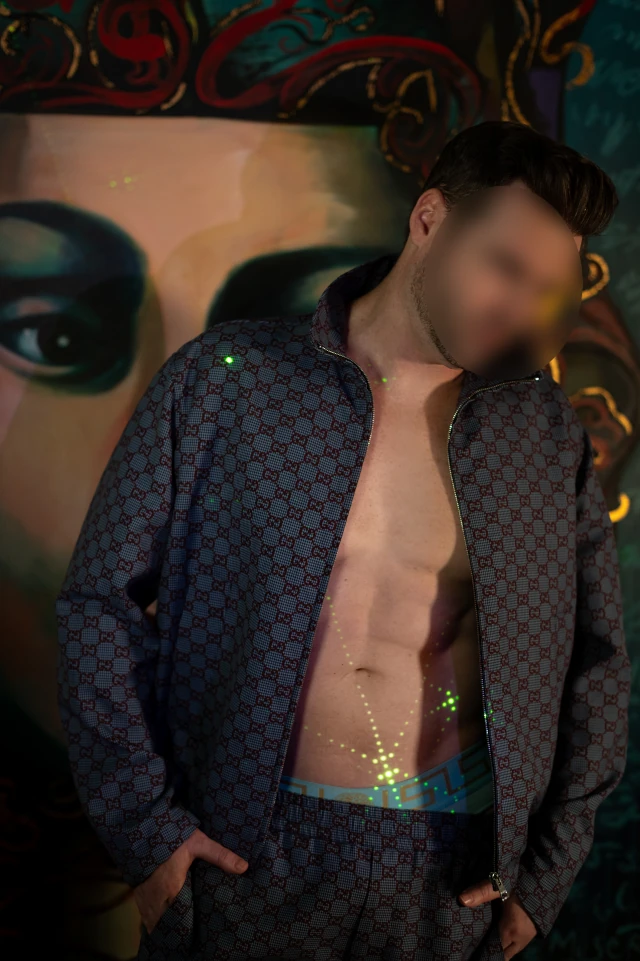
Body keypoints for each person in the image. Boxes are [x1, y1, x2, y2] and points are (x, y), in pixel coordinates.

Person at [56, 120, 631, 961]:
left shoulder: (540, 436)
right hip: (241, 847)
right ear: (430, 218)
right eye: (506, 268)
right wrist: (149, 832)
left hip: (454, 866)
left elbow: (598, 658)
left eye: (547, 289)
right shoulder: (226, 383)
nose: (522, 309)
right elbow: (98, 603)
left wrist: (546, 873)